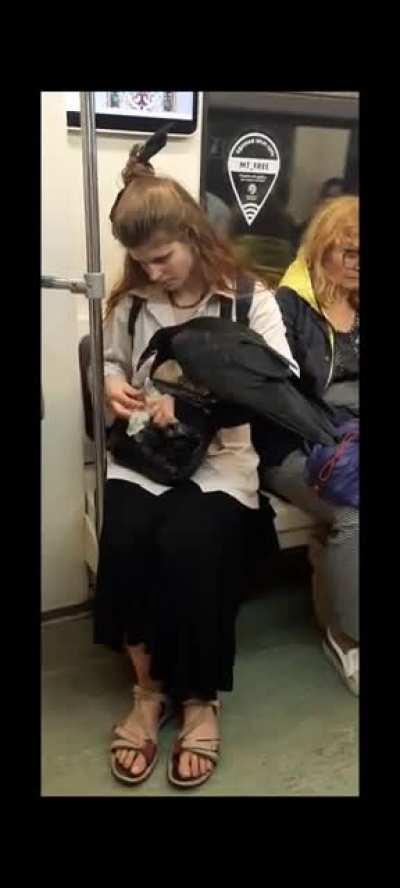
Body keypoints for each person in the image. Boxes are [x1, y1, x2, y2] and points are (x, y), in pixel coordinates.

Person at [94, 144, 299, 788]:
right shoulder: (130, 305)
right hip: (147, 456)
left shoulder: (247, 301)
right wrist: (112, 386)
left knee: (193, 542)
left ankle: (200, 698)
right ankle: (149, 691)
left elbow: (283, 381)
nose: (152, 272)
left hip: (220, 459)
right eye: (139, 261)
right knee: (125, 537)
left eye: (163, 257)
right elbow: (112, 363)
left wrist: (191, 400)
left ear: (193, 235)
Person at [258, 195, 359, 696]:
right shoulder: (288, 308)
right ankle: (348, 637)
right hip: (297, 447)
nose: (359, 264)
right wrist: (336, 434)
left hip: (352, 442)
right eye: (350, 252)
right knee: (353, 513)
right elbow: (280, 400)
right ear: (323, 250)